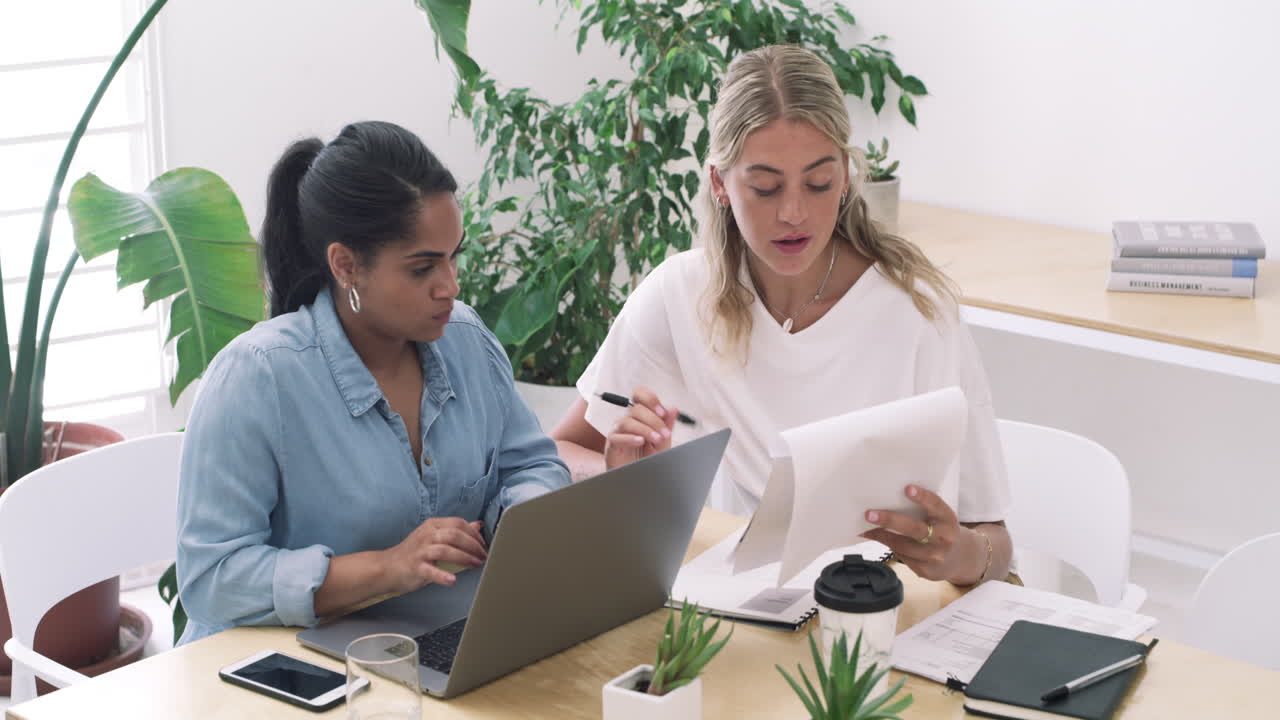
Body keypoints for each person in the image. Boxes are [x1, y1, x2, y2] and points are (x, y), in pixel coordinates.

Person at [551, 46, 1012, 587]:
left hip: (872, 613)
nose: (794, 212)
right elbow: (558, 452)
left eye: (817, 183)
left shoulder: (918, 311)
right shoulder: (678, 297)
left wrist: (958, 558)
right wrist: (612, 472)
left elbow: (995, 544)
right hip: (730, 605)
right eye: (766, 187)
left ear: (845, 176)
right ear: (721, 184)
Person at [176, 121, 568, 644]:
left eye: (455, 257)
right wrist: (390, 567)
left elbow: (533, 464)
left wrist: (521, 517)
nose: (450, 287)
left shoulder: (467, 340)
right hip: (279, 668)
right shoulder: (257, 376)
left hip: (436, 640)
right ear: (346, 266)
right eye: (422, 268)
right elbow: (211, 580)